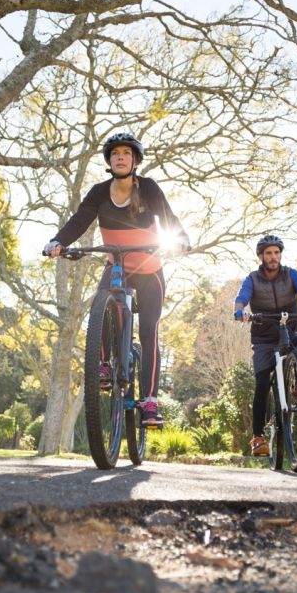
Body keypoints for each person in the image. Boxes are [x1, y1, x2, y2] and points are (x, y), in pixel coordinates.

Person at [43, 133, 189, 428]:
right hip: (117, 265)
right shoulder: (99, 193)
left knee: (149, 331)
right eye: (115, 154)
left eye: (126, 153)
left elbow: (168, 217)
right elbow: (80, 219)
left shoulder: (147, 188)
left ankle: (149, 401)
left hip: (149, 272)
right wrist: (58, 241)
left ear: (135, 160)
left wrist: (181, 238)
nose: (120, 157)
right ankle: (103, 367)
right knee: (100, 306)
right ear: (109, 161)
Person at [233, 234, 297, 456]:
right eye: (268, 253)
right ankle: (258, 438)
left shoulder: (291, 275)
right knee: (260, 385)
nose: (273, 257)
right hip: (263, 338)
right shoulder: (252, 278)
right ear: (261, 256)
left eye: (276, 253)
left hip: (288, 331)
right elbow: (242, 297)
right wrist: (240, 311)